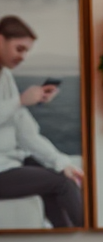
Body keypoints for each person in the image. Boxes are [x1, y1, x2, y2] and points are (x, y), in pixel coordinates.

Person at [0, 15, 84, 228]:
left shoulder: (5, 76)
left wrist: (62, 162)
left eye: (27, 51)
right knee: (61, 184)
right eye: (19, 49)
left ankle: (67, 236)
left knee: (61, 173)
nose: (23, 57)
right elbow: (14, 107)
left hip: (9, 162)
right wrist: (19, 101)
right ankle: (88, 235)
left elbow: (26, 133)